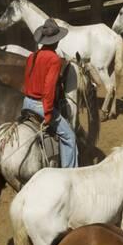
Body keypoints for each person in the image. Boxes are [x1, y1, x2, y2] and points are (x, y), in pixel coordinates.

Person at [22, 18, 78, 168]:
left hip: (26, 103)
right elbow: (48, 90)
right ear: (56, 41)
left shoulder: (31, 57)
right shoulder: (54, 59)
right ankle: (69, 173)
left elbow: (26, 82)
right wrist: (47, 114)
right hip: (40, 106)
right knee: (69, 137)